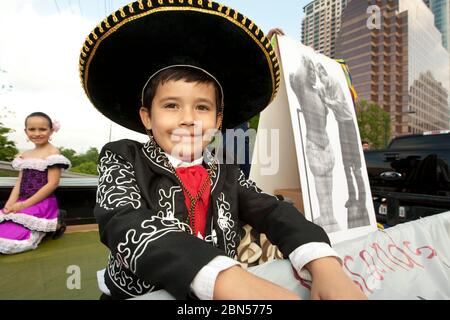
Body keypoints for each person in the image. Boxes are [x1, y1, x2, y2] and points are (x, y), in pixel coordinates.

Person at [80, 0, 366, 300]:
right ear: (147, 117)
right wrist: (225, 279)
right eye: (171, 105)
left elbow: (273, 210)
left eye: (202, 107)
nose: (188, 119)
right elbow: (123, 221)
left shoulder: (225, 169)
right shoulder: (121, 157)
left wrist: (323, 263)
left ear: (218, 121)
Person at [0, 112, 70, 254]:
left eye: (42, 129)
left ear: (51, 130)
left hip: (41, 202)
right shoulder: (25, 154)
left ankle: (56, 221)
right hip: (22, 200)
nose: (37, 133)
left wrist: (24, 205)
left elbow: (52, 184)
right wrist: (10, 202)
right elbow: (20, 181)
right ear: (26, 131)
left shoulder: (53, 153)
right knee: (6, 220)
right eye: (32, 129)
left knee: (13, 236)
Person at [315, 62, 370, 228]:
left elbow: (337, 103)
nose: (321, 79)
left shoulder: (335, 83)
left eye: (321, 75)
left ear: (325, 73)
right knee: (346, 164)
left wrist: (325, 100)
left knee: (356, 165)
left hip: (348, 123)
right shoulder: (323, 86)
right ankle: (352, 197)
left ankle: (362, 199)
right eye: (319, 76)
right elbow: (322, 99)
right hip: (340, 124)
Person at [289, 56, 340, 233]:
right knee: (321, 185)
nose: (312, 74)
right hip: (315, 146)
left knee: (329, 184)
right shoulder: (301, 89)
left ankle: (329, 216)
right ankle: (326, 218)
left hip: (326, 145)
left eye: (313, 71)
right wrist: (303, 58)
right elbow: (295, 76)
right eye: (309, 70)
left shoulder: (319, 92)